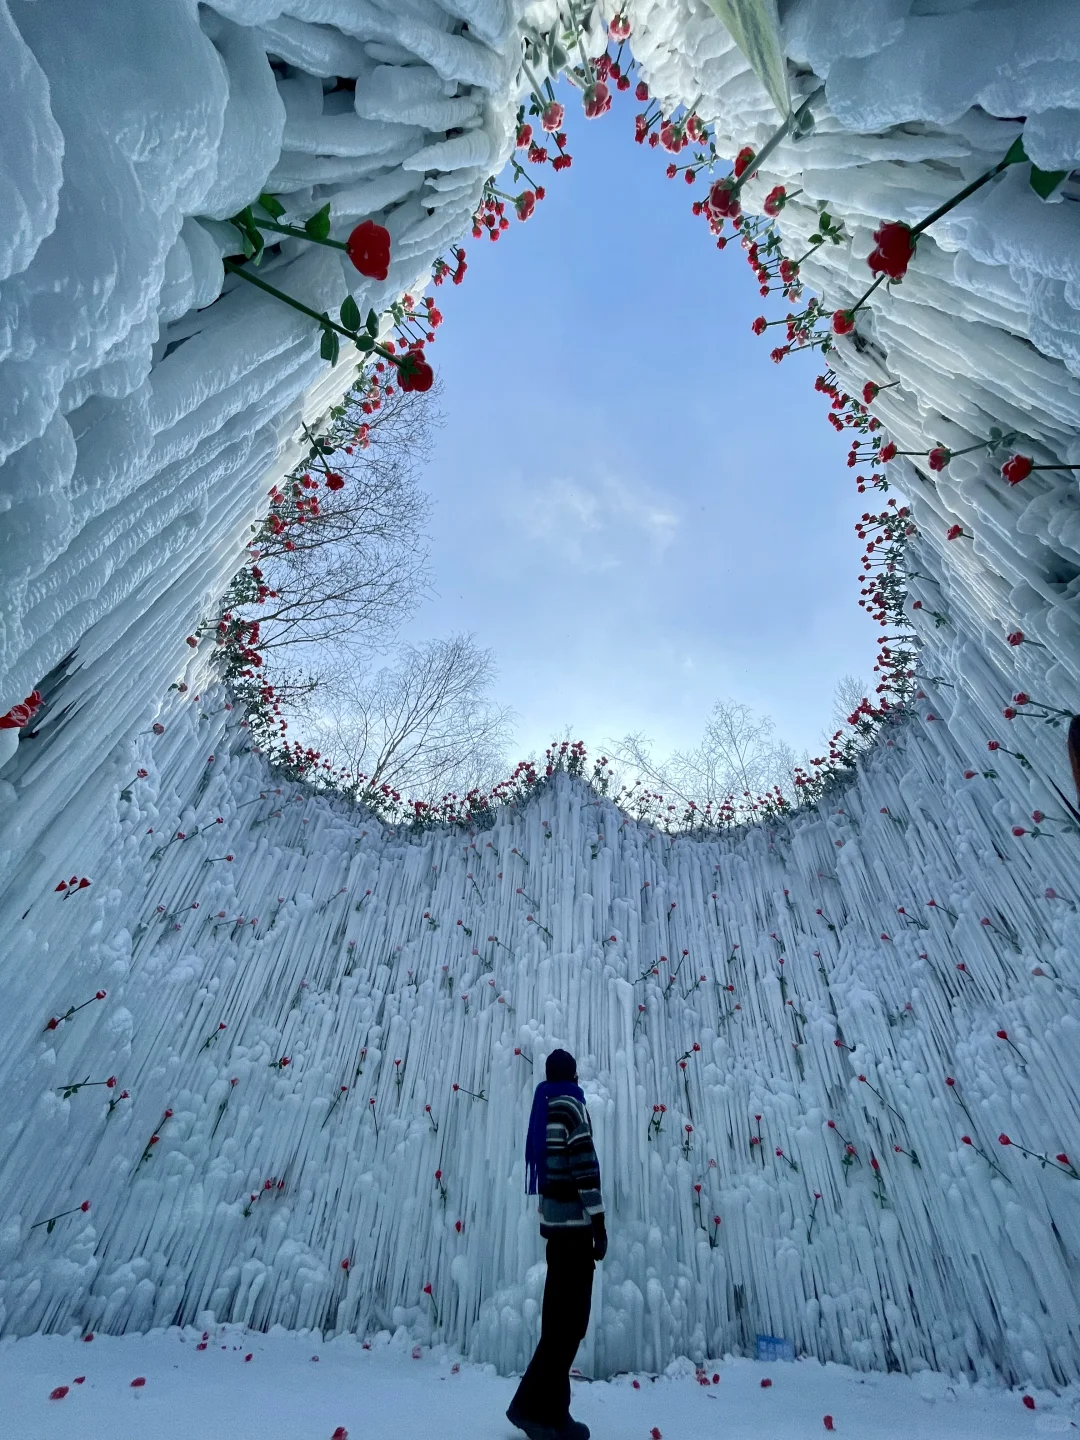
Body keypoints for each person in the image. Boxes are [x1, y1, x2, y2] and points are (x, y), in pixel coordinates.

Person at [507, 1048, 606, 1440]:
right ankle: (539, 1411)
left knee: (557, 1324)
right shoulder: (571, 1107)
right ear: (573, 1075)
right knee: (572, 1324)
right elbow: (584, 1167)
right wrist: (599, 1223)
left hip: (554, 1231)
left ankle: (546, 1412)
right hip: (576, 1231)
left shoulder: (544, 1107)